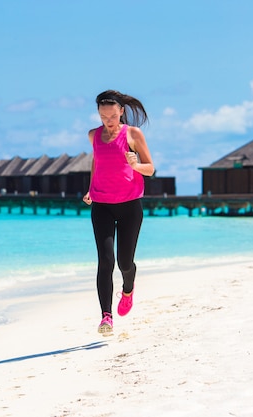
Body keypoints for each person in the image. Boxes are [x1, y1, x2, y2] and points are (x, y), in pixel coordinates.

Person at [82, 90, 155, 335]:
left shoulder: (133, 134)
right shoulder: (94, 135)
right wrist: (91, 189)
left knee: (124, 262)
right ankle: (106, 316)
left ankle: (128, 288)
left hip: (130, 206)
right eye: (103, 117)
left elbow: (151, 169)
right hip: (101, 205)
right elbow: (96, 163)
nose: (108, 121)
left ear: (121, 111)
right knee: (105, 261)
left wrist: (135, 165)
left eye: (112, 116)